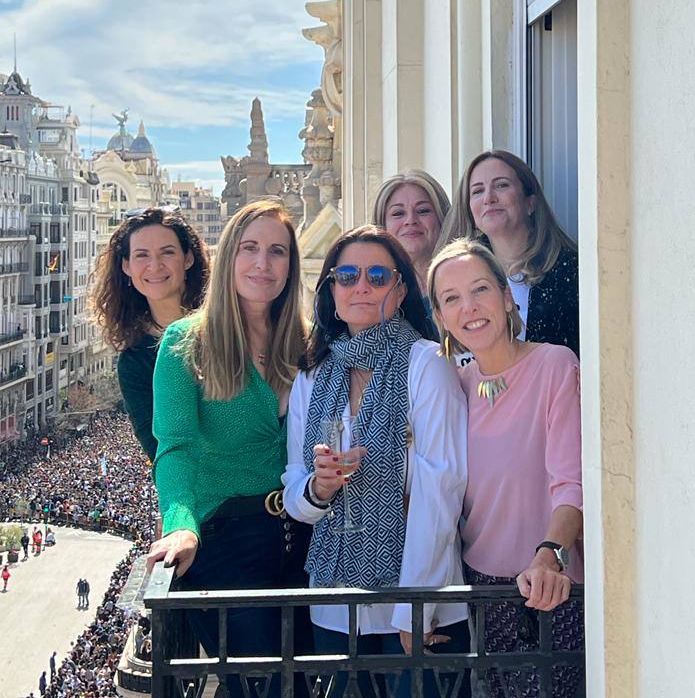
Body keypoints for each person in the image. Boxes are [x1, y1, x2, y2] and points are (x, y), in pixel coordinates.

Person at [283, 225, 469, 698]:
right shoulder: (313, 374)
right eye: (346, 275)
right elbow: (295, 491)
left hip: (415, 606)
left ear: (401, 288)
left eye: (377, 275)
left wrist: (414, 609)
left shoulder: (427, 365)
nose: (360, 286)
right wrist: (319, 489)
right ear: (331, 290)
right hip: (334, 603)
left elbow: (439, 492)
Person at [146, 199, 312, 698]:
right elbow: (174, 449)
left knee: (308, 678)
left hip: (305, 538)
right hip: (227, 540)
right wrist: (179, 526)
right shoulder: (186, 342)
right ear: (228, 258)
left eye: (277, 251)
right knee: (260, 686)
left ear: (291, 265)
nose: (263, 264)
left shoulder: (305, 341)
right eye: (250, 248)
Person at [428, 238, 584, 698]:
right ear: (440, 318)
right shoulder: (455, 383)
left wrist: (551, 555)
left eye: (480, 290)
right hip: (481, 590)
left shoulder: (555, 364)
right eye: (451, 299)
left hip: (549, 586)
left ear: (506, 297)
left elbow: (571, 481)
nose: (469, 307)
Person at [91, 206, 210, 462]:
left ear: (188, 258)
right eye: (142, 255)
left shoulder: (227, 323)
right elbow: (162, 454)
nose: (154, 266)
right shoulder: (135, 361)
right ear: (126, 267)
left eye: (167, 252)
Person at [440, 150, 579, 356]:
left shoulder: (571, 272)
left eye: (501, 185)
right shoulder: (456, 275)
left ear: (530, 202)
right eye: (478, 191)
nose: (489, 198)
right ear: (470, 211)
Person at [371, 171, 450, 321]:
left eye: (423, 211)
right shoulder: (370, 290)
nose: (411, 220)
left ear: (442, 218)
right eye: (398, 213)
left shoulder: (465, 280)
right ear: (382, 226)